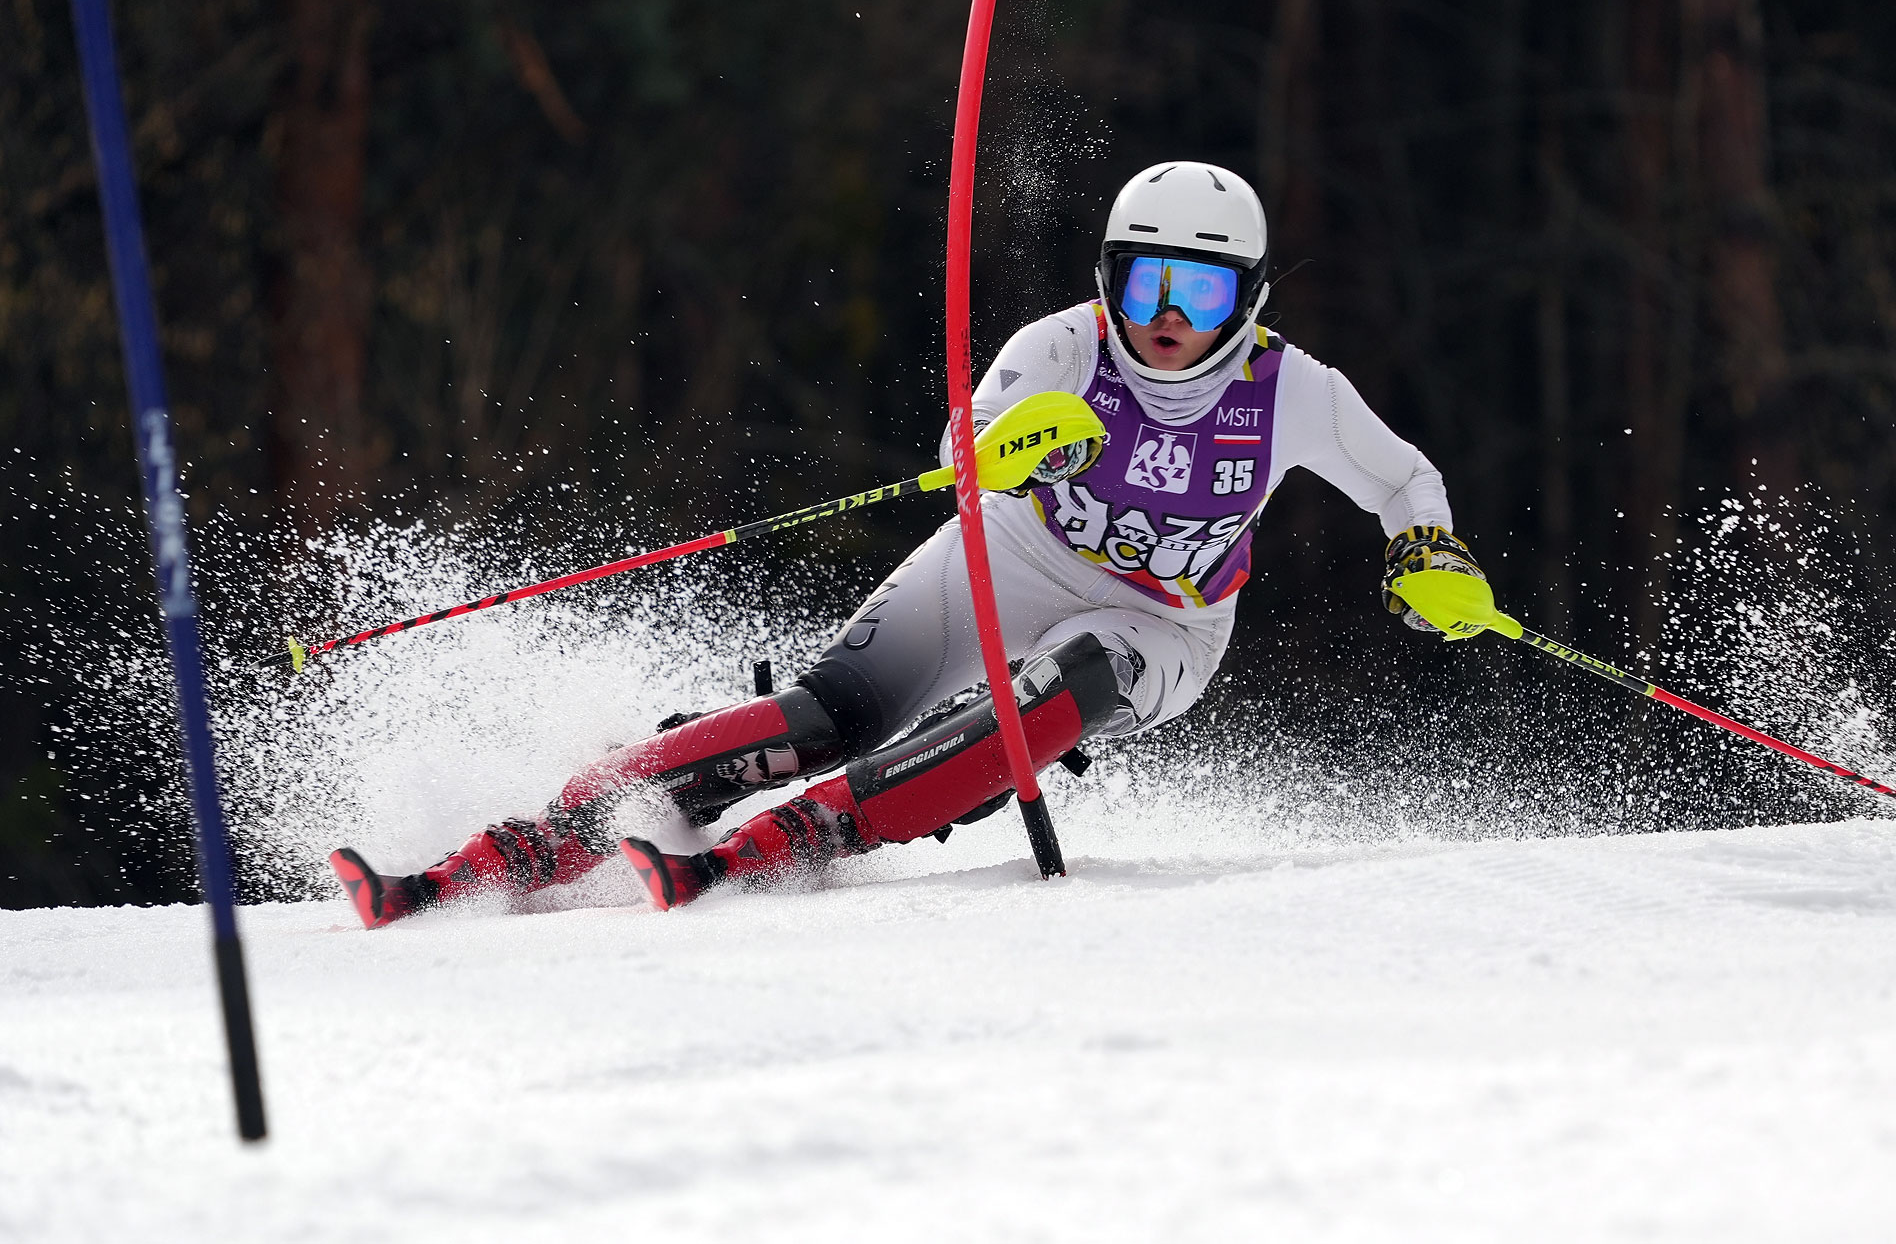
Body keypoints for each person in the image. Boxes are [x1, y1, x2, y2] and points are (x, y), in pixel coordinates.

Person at [329, 161, 1484, 928]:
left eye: (1198, 284)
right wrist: (1016, 444)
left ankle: (820, 826)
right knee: (830, 707)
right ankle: (541, 834)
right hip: (1011, 550)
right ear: (1109, 278)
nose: (1164, 312)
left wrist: (1426, 552)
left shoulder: (1292, 390)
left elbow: (1404, 480)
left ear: (1248, 293)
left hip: (1163, 617)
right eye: (1143, 277)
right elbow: (959, 448)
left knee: (1065, 685)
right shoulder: (1062, 344)